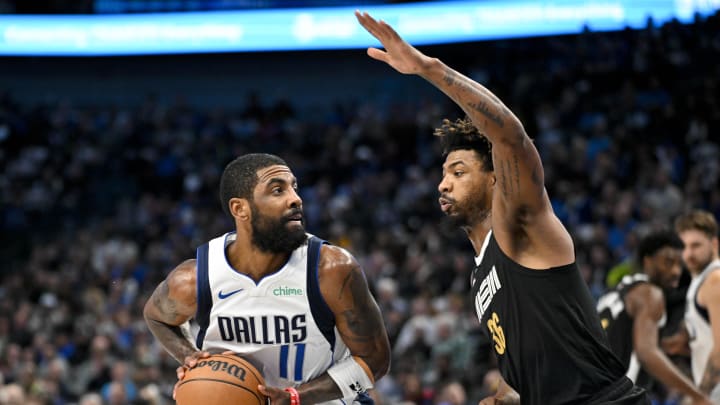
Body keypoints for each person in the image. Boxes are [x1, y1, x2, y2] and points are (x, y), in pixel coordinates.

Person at [354, 11, 647, 404]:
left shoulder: (518, 226)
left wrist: (429, 69)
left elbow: (510, 137)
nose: (443, 183)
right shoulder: (479, 278)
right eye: (443, 173)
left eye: (458, 171)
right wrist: (501, 397)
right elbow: (523, 374)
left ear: (495, 178)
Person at [143, 153, 391, 404]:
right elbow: (155, 316)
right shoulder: (195, 279)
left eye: (294, 188)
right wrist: (188, 355)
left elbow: (375, 362)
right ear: (240, 209)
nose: (296, 199)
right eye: (277, 190)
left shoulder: (332, 269)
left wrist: (296, 397)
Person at [597, 230, 711, 404]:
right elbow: (646, 352)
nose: (676, 271)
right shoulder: (651, 293)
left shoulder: (619, 291)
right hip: (619, 398)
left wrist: (667, 346)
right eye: (668, 262)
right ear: (647, 261)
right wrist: (697, 395)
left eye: (679, 265)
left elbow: (626, 344)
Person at [674, 210, 720, 401]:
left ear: (714, 243)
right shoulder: (700, 279)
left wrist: (699, 396)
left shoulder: (714, 281)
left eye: (696, 246)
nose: (688, 254)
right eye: (684, 247)